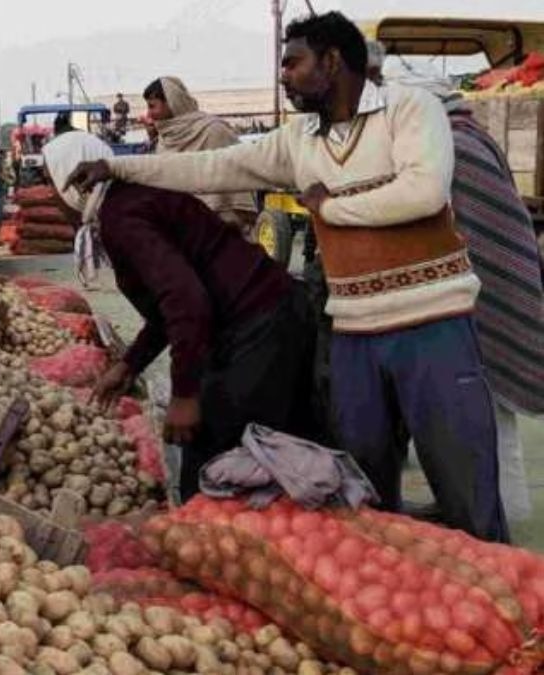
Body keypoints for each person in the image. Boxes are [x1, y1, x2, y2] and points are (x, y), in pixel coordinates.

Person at [64, 11, 508, 542]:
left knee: (465, 484)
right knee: (366, 494)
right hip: (354, 335)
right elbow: (212, 167)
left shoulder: (410, 109)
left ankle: (509, 608)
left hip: (431, 325)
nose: (283, 75)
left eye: (293, 63)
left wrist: (329, 208)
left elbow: (424, 191)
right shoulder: (300, 139)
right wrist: (119, 167)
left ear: (333, 61)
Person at [44, 131, 319, 501]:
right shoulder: (127, 201)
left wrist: (185, 395)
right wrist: (130, 365)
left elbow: (186, 302)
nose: (51, 196)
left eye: (51, 182)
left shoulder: (121, 216)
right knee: (268, 455)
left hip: (259, 324)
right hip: (268, 315)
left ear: (73, 181)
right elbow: (168, 308)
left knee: (216, 464)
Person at [414, 76, 544, 524]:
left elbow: (478, 227)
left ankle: (501, 512)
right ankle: (484, 506)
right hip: (478, 288)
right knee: (475, 415)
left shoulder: (456, 146)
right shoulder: (465, 135)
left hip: (486, 293)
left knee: (489, 416)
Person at [143, 77, 258, 233]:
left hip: (220, 231)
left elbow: (238, 182)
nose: (148, 114)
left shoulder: (214, 131)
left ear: (172, 103)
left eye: (152, 106)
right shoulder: (164, 140)